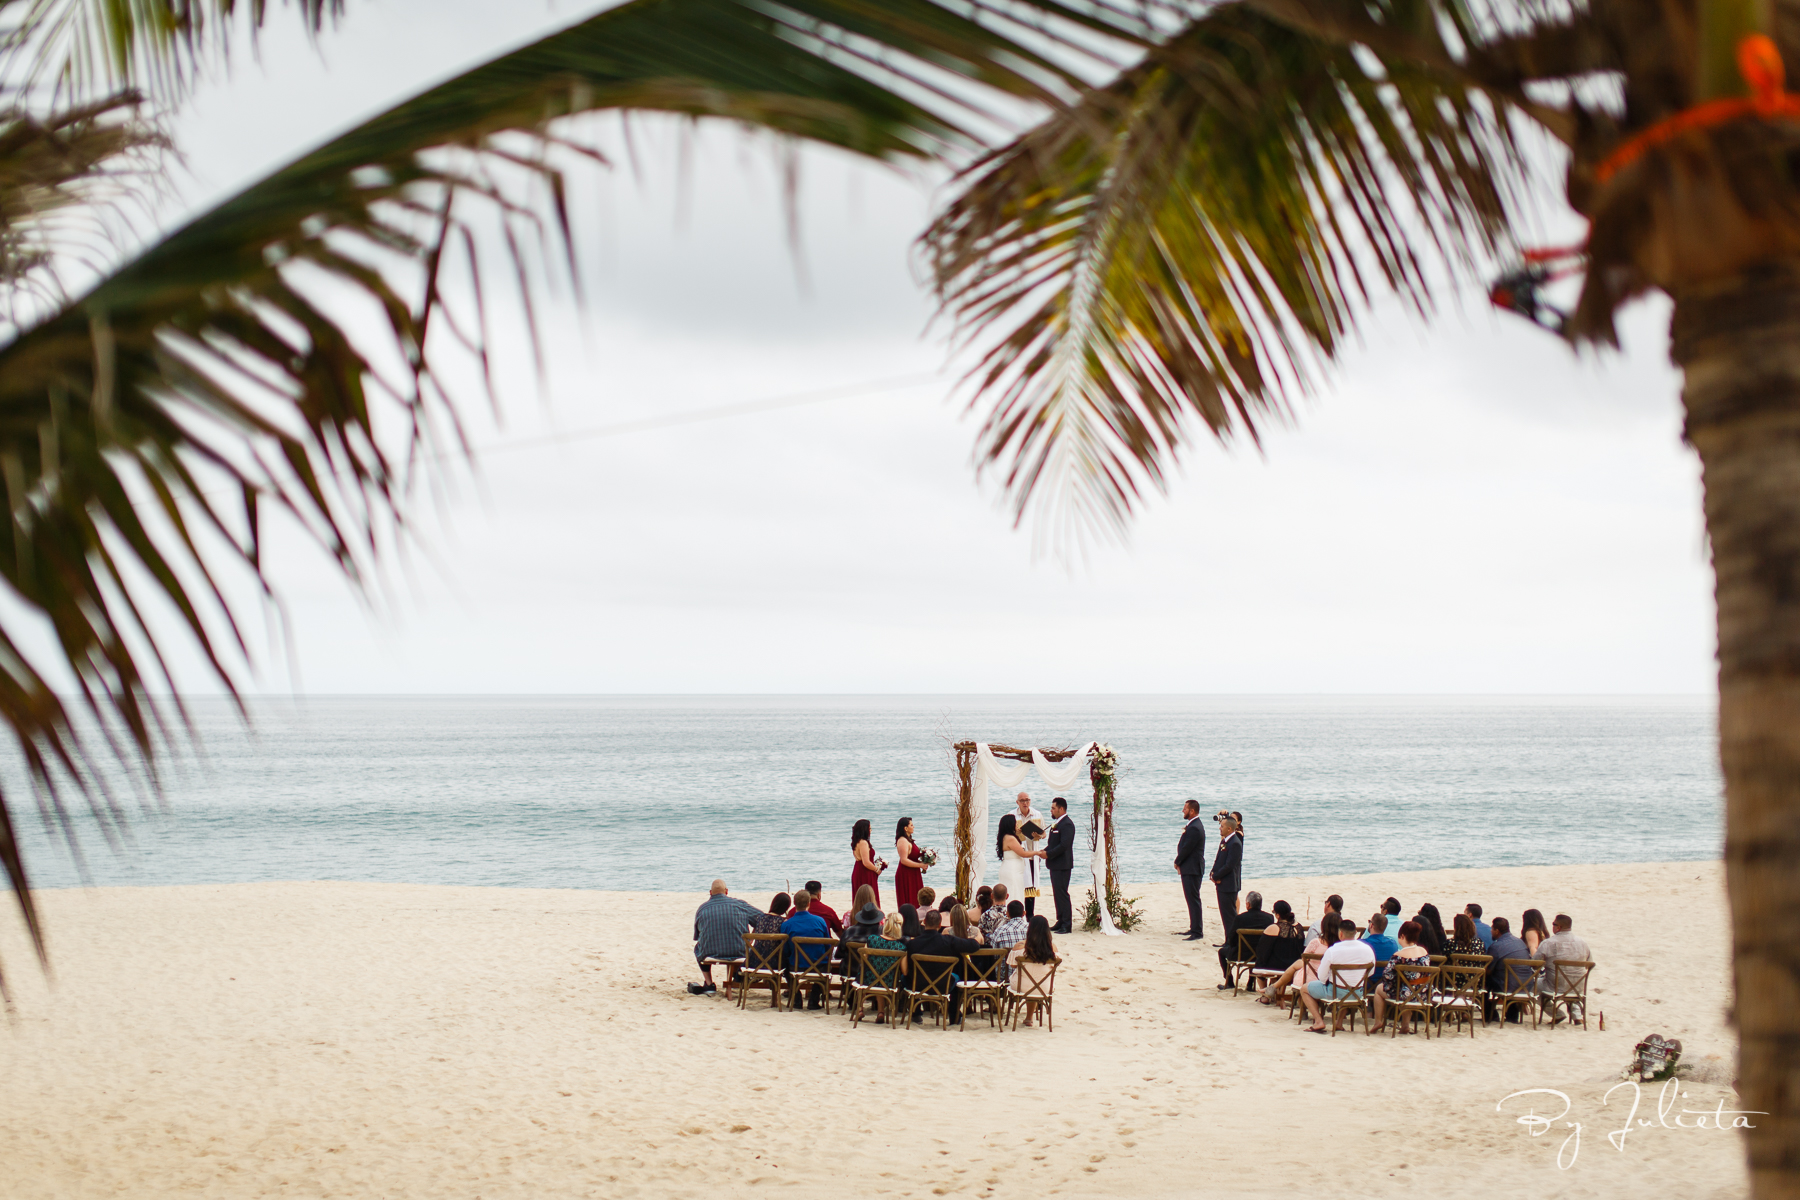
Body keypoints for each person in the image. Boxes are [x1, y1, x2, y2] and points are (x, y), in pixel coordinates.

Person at [1301, 916, 1376, 1033]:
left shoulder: (1333, 950)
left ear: (1340, 933)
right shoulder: (1368, 949)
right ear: (1355, 933)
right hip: (1358, 993)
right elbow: (1371, 972)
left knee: (1304, 989)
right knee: (1348, 987)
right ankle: (1339, 1022)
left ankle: (1318, 1021)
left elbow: (1321, 977)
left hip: (1336, 993)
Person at [905, 908, 981, 1024]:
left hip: (917, 985)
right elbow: (974, 946)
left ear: (924, 921)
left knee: (906, 976)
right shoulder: (948, 941)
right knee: (956, 979)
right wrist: (977, 937)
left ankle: (916, 1013)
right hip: (943, 984)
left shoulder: (912, 944)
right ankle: (954, 1015)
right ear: (940, 924)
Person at [689, 879, 762, 995]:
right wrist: (751, 939)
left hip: (709, 953)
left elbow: (698, 936)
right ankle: (737, 975)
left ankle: (709, 983)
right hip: (739, 951)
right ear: (726, 891)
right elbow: (763, 920)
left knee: (698, 948)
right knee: (737, 943)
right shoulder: (740, 905)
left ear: (710, 892)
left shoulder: (702, 909)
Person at [1259, 911, 1339, 1007]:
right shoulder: (1341, 946)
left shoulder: (1316, 943)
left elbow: (1305, 959)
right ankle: (1273, 987)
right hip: (1336, 980)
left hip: (1314, 978)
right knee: (1298, 964)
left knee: (1298, 965)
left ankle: (1274, 988)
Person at [1369, 920, 1432, 1034]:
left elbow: (1387, 975)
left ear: (1402, 936)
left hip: (1406, 994)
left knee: (1380, 989)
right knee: (1407, 988)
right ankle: (1405, 1025)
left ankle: (1378, 1021)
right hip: (1424, 992)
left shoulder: (1399, 955)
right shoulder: (1424, 951)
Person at [1534, 913, 1593, 1023]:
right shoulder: (1583, 943)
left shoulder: (1548, 943)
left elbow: (1534, 964)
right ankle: (1577, 1016)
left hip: (1555, 986)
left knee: (1531, 986)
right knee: (1570, 982)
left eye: (1553, 924)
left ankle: (1557, 1014)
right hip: (1578, 986)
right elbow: (1589, 963)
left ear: (1558, 927)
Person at [781, 890, 833, 1010]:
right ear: (809, 903)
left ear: (794, 904)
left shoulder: (787, 924)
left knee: (785, 964)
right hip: (819, 966)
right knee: (827, 967)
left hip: (796, 966)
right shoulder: (820, 922)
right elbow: (827, 945)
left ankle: (797, 998)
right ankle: (814, 1000)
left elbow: (786, 950)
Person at [1009, 915, 1058, 1027]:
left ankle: (1025, 1016)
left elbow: (1012, 964)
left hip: (1021, 986)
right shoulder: (1052, 949)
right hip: (1045, 987)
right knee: (1036, 979)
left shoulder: (1020, 947)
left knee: (1028, 979)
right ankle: (1029, 1017)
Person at [1217, 890, 1272, 990]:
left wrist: (1232, 946)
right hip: (1261, 956)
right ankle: (1250, 983)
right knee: (1256, 948)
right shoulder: (1269, 918)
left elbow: (1231, 939)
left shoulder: (1240, 918)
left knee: (1221, 952)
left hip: (1240, 954)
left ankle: (1229, 981)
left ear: (1248, 904)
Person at [861, 913, 909, 1024]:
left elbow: (864, 959)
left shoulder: (872, 939)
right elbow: (905, 971)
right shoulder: (900, 947)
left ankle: (859, 1009)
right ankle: (881, 1012)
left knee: (866, 973)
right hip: (889, 982)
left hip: (869, 980)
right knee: (881, 976)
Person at [1249, 900, 1304, 993]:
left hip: (1277, 965)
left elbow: (1262, 950)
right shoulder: (1299, 928)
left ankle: (1265, 995)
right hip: (1294, 964)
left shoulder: (1274, 928)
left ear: (1278, 915)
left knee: (1260, 962)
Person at [996, 814, 1043, 920]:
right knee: (1014, 893)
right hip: (1012, 871)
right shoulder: (1010, 838)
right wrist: (1037, 852)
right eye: (1015, 823)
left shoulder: (1007, 837)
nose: (1017, 825)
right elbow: (1022, 853)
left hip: (1012, 869)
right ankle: (1013, 918)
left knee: (1016, 892)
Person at [1484, 916, 1531, 1023]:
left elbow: (1488, 970)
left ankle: (1490, 1014)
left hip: (1507, 986)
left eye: (1492, 929)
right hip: (1526, 985)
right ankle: (1512, 1016)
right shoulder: (1520, 942)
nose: (1491, 931)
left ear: (1497, 931)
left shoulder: (1496, 947)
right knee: (1512, 977)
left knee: (1484, 981)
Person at [1173, 800, 1208, 941]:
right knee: (1191, 899)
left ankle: (1197, 931)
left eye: (1185, 808)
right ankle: (1194, 927)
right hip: (1191, 867)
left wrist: (1177, 861)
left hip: (1192, 868)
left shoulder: (1194, 827)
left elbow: (1187, 848)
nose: (1183, 810)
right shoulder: (1193, 825)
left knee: (1193, 899)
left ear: (1192, 811)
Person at [1044, 797, 1077, 934]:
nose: (1051, 810)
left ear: (1061, 809)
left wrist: (1048, 854)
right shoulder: (1057, 824)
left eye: (1053, 808)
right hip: (1055, 864)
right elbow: (1053, 844)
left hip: (1063, 865)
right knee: (1057, 893)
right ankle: (1060, 920)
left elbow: (1064, 845)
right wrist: (1044, 851)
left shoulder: (1067, 824)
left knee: (1062, 893)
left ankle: (1067, 924)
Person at [1210, 815, 1243, 943]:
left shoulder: (1235, 843)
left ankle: (1232, 942)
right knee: (1224, 915)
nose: (1220, 828)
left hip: (1228, 885)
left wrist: (1218, 876)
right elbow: (1219, 859)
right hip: (1221, 884)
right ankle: (1228, 940)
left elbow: (1230, 865)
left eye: (1222, 826)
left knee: (1230, 916)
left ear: (1229, 828)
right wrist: (1213, 873)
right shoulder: (1225, 841)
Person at [1012, 791, 1046, 916]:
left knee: (1031, 886)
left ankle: (1030, 913)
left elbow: (1044, 833)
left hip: (1032, 854)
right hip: (1018, 855)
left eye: (1027, 800)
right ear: (1017, 802)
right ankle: (1017, 912)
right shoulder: (1012, 815)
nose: (1025, 803)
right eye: (1022, 801)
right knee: (1019, 885)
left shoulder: (1037, 814)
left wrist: (1039, 835)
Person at [989, 899, 1029, 979]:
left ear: (1007, 914)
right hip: (1027, 973)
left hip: (1004, 975)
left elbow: (993, 954)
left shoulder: (1000, 931)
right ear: (1024, 913)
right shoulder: (1031, 929)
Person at [893, 817, 928, 909]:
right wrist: (920, 865)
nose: (913, 827)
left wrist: (924, 861)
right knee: (909, 899)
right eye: (911, 825)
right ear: (905, 828)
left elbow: (912, 857)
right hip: (906, 874)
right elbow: (904, 860)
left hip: (913, 873)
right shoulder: (902, 840)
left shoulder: (908, 840)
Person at [851, 819, 886, 908]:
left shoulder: (857, 842)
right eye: (869, 828)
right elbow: (866, 862)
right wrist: (876, 869)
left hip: (858, 869)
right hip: (864, 872)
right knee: (868, 896)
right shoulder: (863, 843)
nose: (871, 831)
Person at [1360, 912, 1400, 983]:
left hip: (1364, 986)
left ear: (1371, 925)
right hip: (1384, 985)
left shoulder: (1361, 944)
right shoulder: (1393, 944)